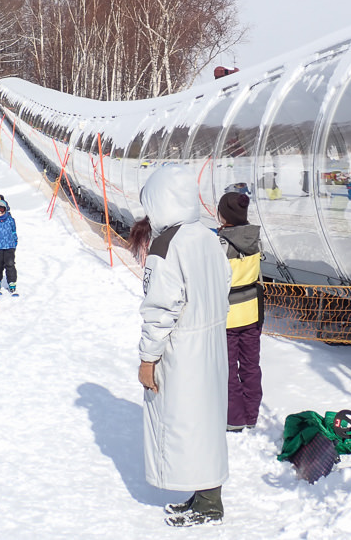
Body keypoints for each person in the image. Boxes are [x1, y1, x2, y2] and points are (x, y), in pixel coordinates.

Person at [129, 165, 232, 527]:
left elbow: (160, 308)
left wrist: (148, 358)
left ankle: (209, 505)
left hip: (182, 347)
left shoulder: (167, 244)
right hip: (210, 340)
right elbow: (225, 281)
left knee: (184, 422)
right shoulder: (205, 235)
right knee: (202, 422)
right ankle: (202, 493)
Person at [217, 191, 265, 431]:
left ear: (224, 216)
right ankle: (251, 415)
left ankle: (234, 418)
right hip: (252, 313)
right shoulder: (254, 239)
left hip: (228, 316)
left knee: (227, 368)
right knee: (250, 366)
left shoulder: (221, 244)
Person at [0, 199, 19, 297]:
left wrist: (15, 241)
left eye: (2, 210)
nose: (0, 212)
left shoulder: (10, 219)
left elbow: (14, 231)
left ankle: (12, 283)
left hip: (9, 246)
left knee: (10, 264)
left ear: (5, 209)